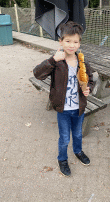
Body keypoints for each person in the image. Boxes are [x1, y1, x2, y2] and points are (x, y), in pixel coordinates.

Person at [33, 21, 94, 177]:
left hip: (79, 107)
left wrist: (89, 88)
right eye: (68, 41)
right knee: (65, 137)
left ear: (79, 43)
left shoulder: (82, 62)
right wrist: (53, 60)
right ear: (60, 41)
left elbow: (92, 78)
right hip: (63, 109)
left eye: (75, 42)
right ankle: (62, 159)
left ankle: (78, 151)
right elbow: (37, 74)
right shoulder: (57, 61)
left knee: (78, 134)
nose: (71, 45)